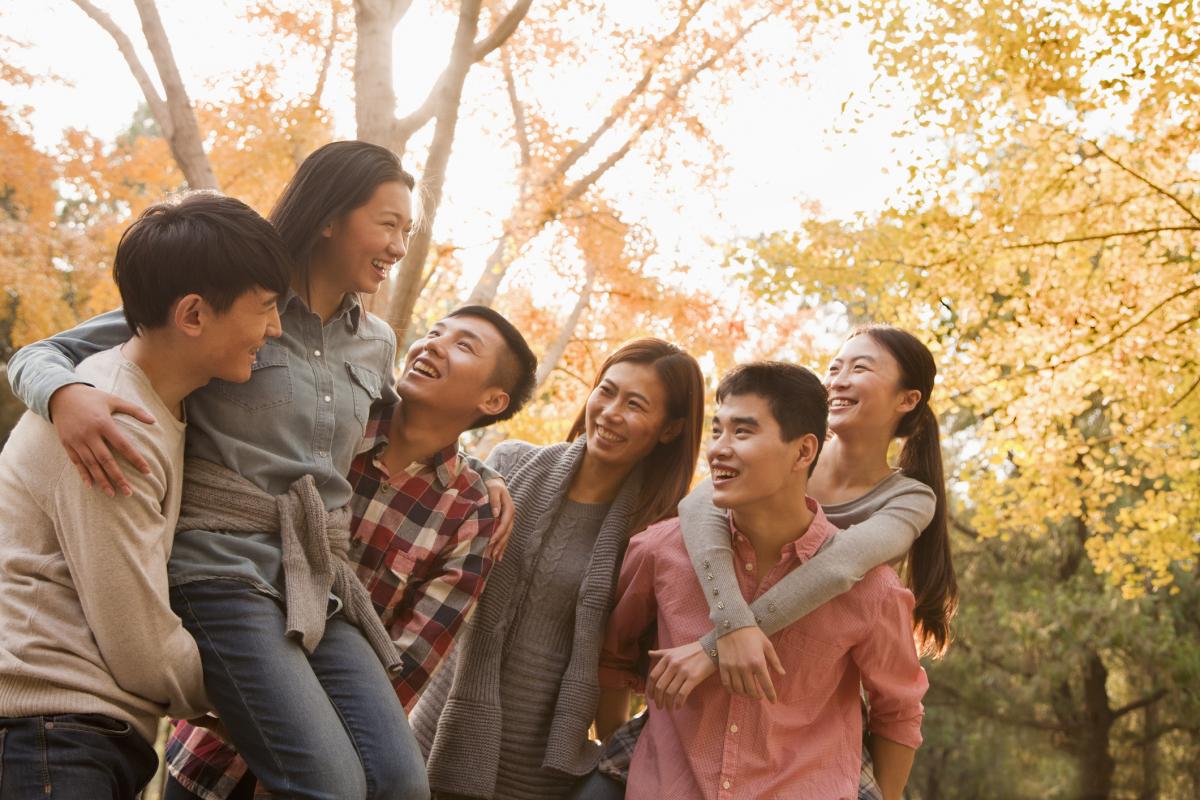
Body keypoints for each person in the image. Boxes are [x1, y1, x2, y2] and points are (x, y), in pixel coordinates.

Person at [6, 141, 431, 800]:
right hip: (220, 562)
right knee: (330, 783)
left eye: (408, 230)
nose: (400, 246)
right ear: (330, 217)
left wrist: (487, 475)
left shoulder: (376, 342)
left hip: (314, 574)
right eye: (389, 224)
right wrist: (65, 396)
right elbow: (52, 350)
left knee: (401, 781)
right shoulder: (231, 290)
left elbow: (392, 438)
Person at [165, 305, 538, 800]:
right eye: (434, 332)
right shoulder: (332, 423)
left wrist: (316, 737)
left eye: (463, 345)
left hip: (344, 755)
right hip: (216, 746)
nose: (433, 344)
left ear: (493, 399)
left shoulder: (472, 512)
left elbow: (410, 660)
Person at [0, 193, 291, 799]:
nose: (275, 329)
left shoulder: (154, 403)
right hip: (49, 731)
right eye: (265, 308)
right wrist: (261, 698)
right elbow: (140, 648)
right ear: (193, 314)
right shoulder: (116, 425)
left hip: (73, 733)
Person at [622, 325, 957, 800]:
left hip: (805, 715)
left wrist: (716, 645)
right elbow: (698, 507)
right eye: (834, 367)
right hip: (702, 724)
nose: (837, 380)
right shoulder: (771, 458)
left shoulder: (907, 499)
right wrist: (731, 624)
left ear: (908, 399)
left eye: (859, 368)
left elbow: (839, 568)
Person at [410, 338, 705, 799]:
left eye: (635, 405)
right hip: (435, 729)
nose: (610, 413)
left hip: (537, 772)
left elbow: (616, 669)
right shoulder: (508, 466)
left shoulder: (656, 537)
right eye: (607, 391)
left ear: (670, 430)